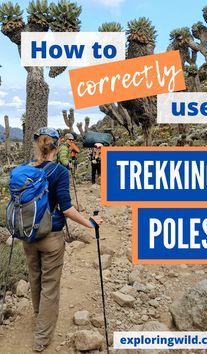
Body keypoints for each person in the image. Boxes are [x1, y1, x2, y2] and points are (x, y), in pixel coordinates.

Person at [23, 127, 102, 352]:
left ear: (38, 145)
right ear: (56, 147)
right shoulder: (59, 171)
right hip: (51, 235)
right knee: (50, 286)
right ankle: (41, 338)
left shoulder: (26, 168)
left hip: (28, 235)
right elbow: (66, 209)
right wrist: (90, 223)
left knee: (35, 279)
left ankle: (39, 317)